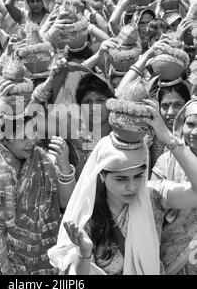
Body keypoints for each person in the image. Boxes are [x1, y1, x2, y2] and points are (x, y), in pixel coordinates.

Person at [48, 99, 197, 275]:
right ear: (102, 175)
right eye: (121, 179)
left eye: (138, 176)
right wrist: (84, 253)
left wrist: (166, 136)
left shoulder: (152, 196)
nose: (132, 186)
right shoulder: (89, 215)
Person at [0, 78, 76, 275]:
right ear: (3, 137)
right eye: (23, 137)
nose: (31, 141)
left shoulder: (44, 159)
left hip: (43, 262)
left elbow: (67, 203)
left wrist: (65, 166)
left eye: (33, 132)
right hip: (2, 261)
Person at [152, 99, 197, 274]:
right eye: (190, 124)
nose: (195, 132)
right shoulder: (166, 161)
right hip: (169, 255)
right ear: (181, 125)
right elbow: (153, 209)